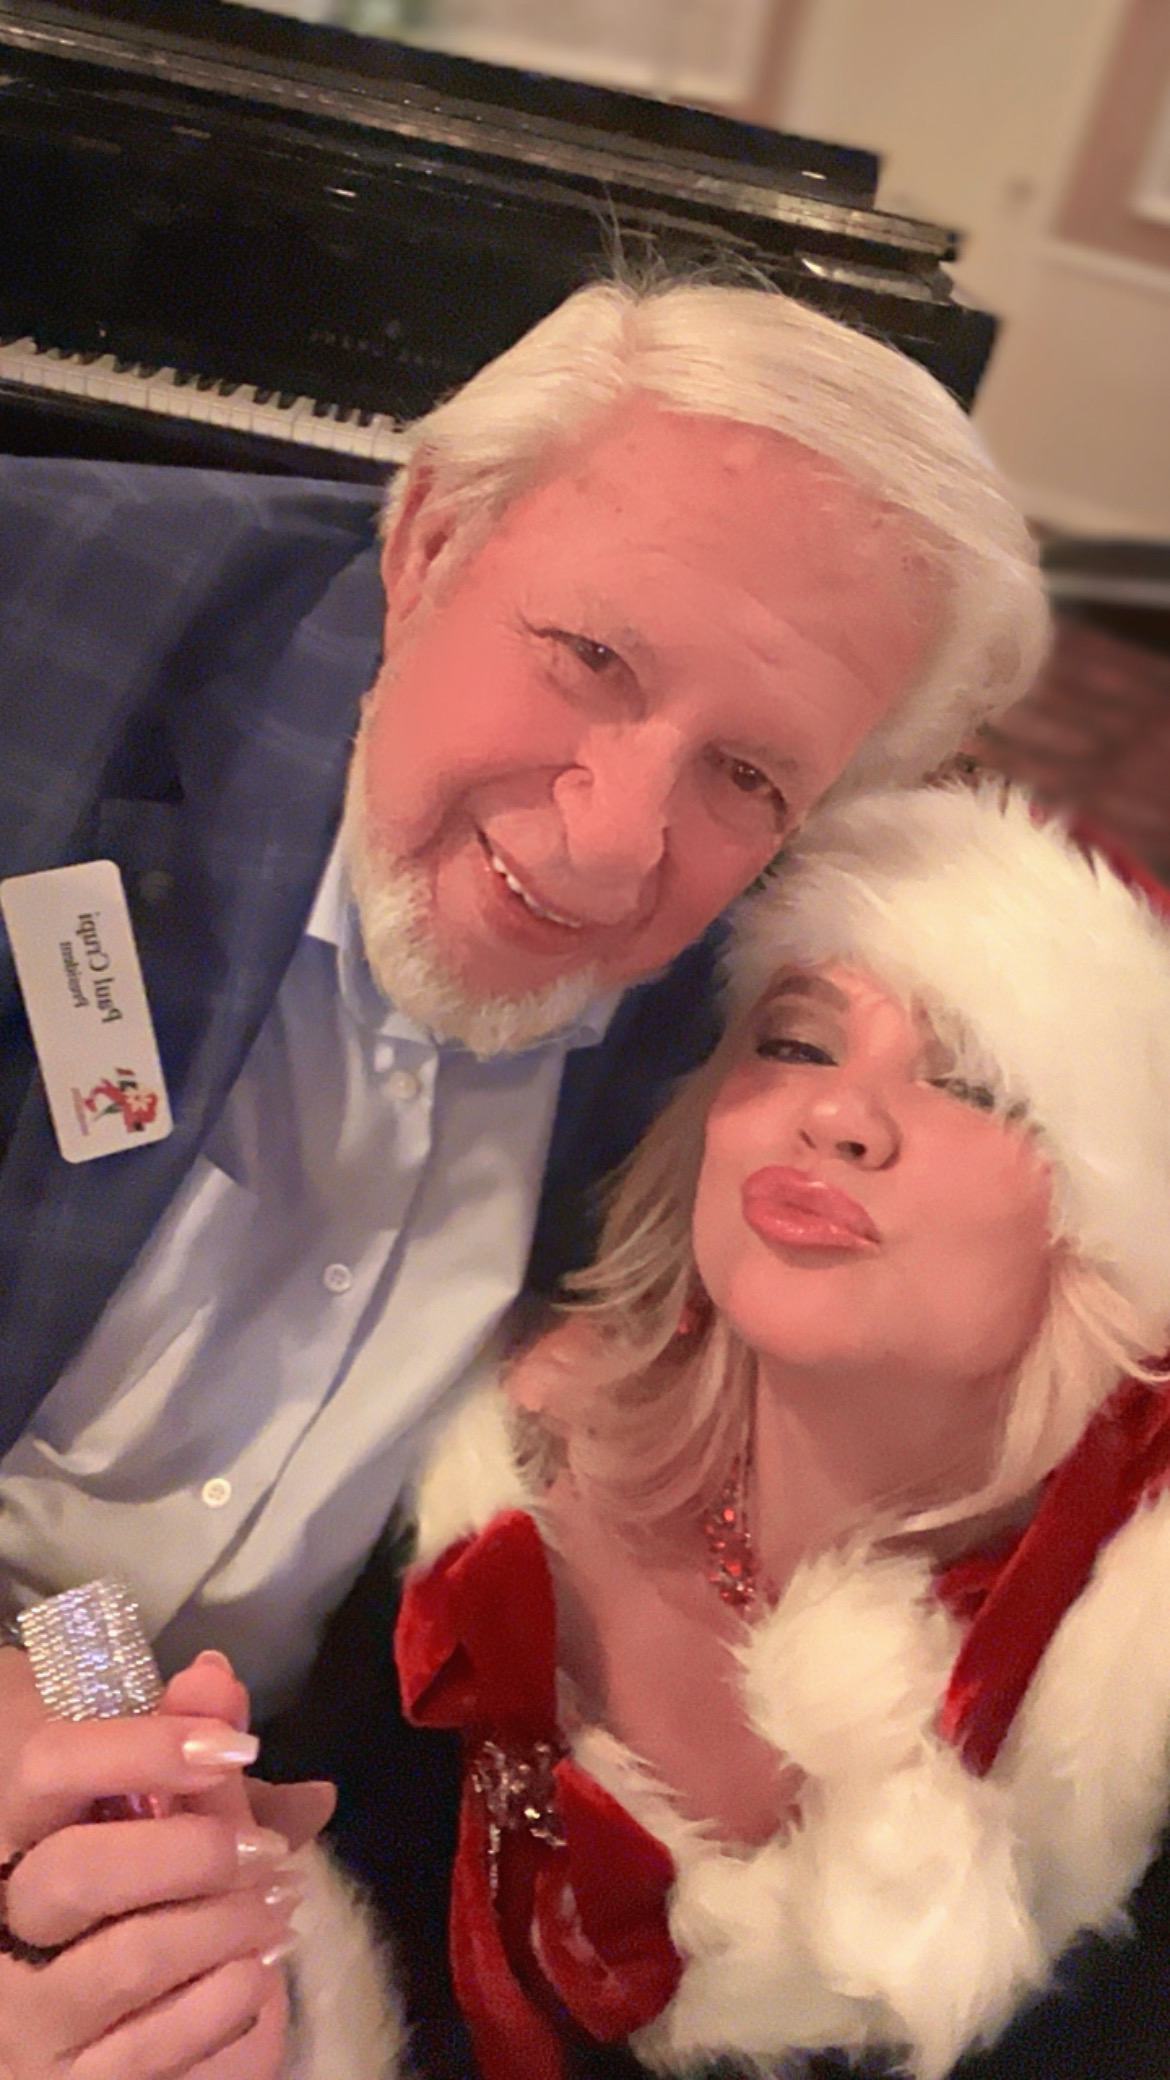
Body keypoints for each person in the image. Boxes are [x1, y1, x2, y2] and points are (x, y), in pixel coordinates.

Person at [0, 274, 1047, 2071]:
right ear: (426, 540)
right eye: (590, 658)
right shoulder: (40, 629)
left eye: (745, 775)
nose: (609, 844)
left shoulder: (769, 1004)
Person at [387, 780, 1170, 2079]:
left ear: (1103, 1238)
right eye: (798, 1043)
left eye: (972, 1083)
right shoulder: (473, 1471)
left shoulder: (1131, 1701)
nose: (834, 1115)